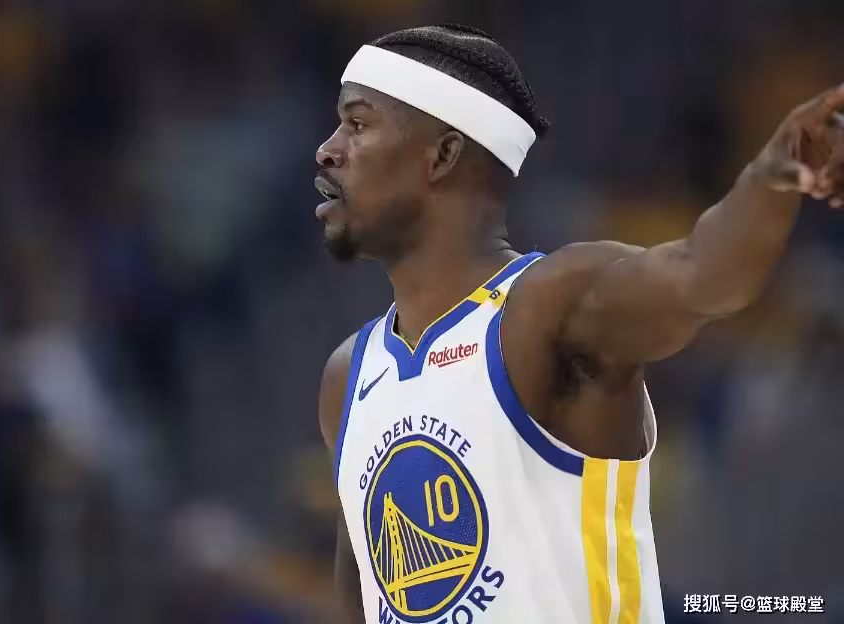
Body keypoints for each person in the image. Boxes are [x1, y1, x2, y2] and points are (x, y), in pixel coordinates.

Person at [315, 24, 844, 624]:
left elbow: (703, 275)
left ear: (442, 156)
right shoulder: (347, 376)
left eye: (357, 125)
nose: (327, 151)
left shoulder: (551, 303)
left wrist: (770, 177)